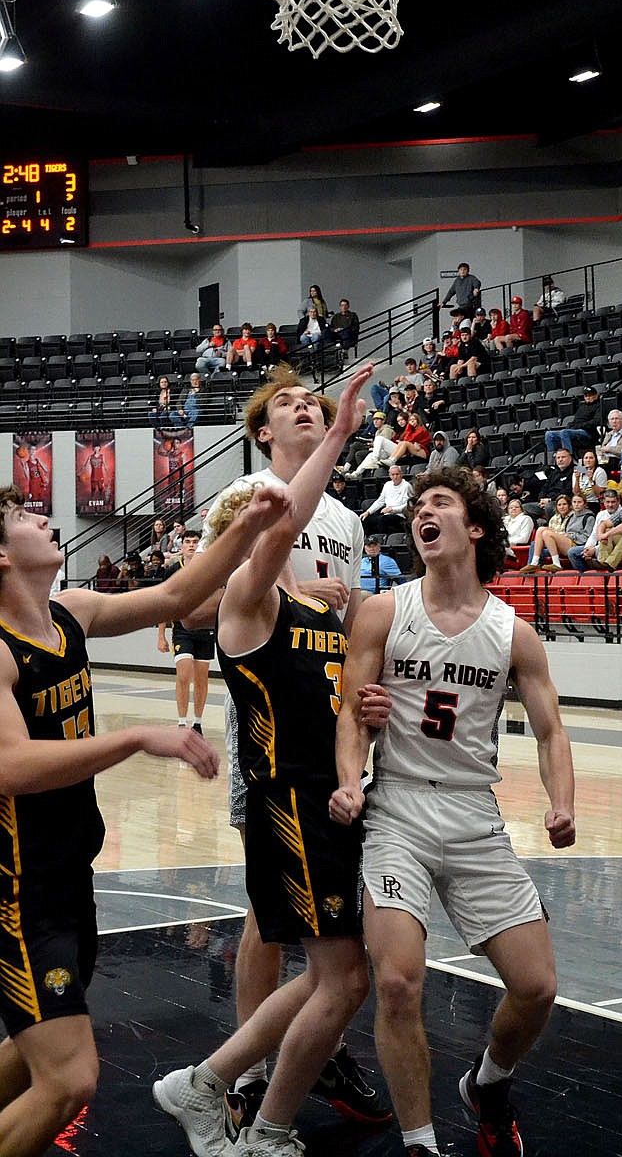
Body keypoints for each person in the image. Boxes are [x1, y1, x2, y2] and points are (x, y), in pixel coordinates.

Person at [0, 477, 287, 1157]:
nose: (44, 520)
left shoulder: (68, 611)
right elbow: (9, 766)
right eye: (24, 517)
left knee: (31, 1048)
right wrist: (133, 739)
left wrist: (244, 527)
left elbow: (177, 597)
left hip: (68, 877)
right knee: (69, 1079)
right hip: (17, 892)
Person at [153, 365, 377, 1157]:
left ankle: (275, 1064)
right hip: (270, 737)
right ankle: (246, 1083)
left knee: (327, 943)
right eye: (285, 402)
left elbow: (342, 634)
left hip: (332, 731)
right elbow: (205, 602)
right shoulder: (245, 500)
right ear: (260, 433)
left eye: (311, 401)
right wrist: (293, 592)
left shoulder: (347, 520)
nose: (303, 407)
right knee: (273, 916)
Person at [331, 466, 575, 1157]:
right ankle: (420, 1143)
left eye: (440, 502)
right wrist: (351, 779)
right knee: (400, 981)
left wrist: (563, 805)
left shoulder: (512, 633)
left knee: (537, 987)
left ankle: (489, 1084)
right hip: (398, 808)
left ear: (474, 528)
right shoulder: (384, 610)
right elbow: (352, 710)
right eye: (416, 507)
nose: (421, 513)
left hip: (474, 812)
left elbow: (553, 730)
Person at [158, 531, 216, 733]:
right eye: (188, 542)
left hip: (206, 629)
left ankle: (197, 723)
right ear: (181, 547)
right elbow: (164, 605)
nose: (191, 545)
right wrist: (161, 635)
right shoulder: (173, 570)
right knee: (184, 673)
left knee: (202, 678)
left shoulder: (209, 570)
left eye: (195, 542)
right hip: (182, 630)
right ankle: (182, 722)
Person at [521, 492, 594, 574]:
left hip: (577, 544)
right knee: (540, 530)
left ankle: (556, 564)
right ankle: (534, 563)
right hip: (566, 542)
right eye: (574, 502)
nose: (576, 504)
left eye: (579, 502)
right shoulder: (572, 517)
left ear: (585, 504)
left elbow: (586, 538)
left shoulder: (589, 517)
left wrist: (569, 535)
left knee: (546, 533)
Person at [567, 488, 621, 573]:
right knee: (572, 552)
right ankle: (585, 577)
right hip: (598, 546)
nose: (610, 505)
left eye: (613, 502)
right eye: (608, 502)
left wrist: (594, 549)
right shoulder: (601, 514)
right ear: (603, 502)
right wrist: (587, 548)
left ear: (618, 501)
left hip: (613, 547)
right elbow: (594, 535)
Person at [544, 387, 601, 460]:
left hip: (588, 432)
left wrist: (578, 426)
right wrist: (571, 424)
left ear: (595, 395)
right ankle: (554, 458)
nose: (588, 397)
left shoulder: (599, 406)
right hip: (577, 429)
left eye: (590, 395)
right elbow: (577, 420)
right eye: (586, 395)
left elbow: (595, 422)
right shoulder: (582, 406)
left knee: (564, 432)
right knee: (549, 434)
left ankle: (568, 458)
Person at [360, 465, 411, 535]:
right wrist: (368, 512)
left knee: (383, 520)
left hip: (400, 515)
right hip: (387, 514)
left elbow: (408, 505)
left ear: (401, 474)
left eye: (397, 474)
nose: (395, 477)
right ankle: (369, 542)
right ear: (389, 475)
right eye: (393, 475)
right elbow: (380, 501)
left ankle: (382, 540)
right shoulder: (387, 485)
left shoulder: (406, 486)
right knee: (365, 519)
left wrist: (392, 509)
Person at [594, 408, 622, 472]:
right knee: (585, 463)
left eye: (616, 418)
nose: (614, 421)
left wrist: (610, 449)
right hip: (604, 459)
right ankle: (581, 480)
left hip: (616, 460)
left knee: (599, 466)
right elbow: (602, 448)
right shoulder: (609, 434)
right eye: (612, 419)